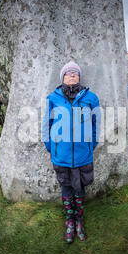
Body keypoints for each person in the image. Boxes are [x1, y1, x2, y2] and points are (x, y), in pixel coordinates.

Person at [42, 60, 100, 244]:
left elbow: (96, 124)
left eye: (75, 73)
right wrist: (50, 147)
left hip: (83, 153)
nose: (72, 75)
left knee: (80, 187)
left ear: (80, 77)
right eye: (68, 73)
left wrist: (92, 145)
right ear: (63, 77)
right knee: (66, 186)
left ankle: (79, 221)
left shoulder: (91, 98)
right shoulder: (53, 98)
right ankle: (69, 220)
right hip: (62, 154)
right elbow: (47, 124)